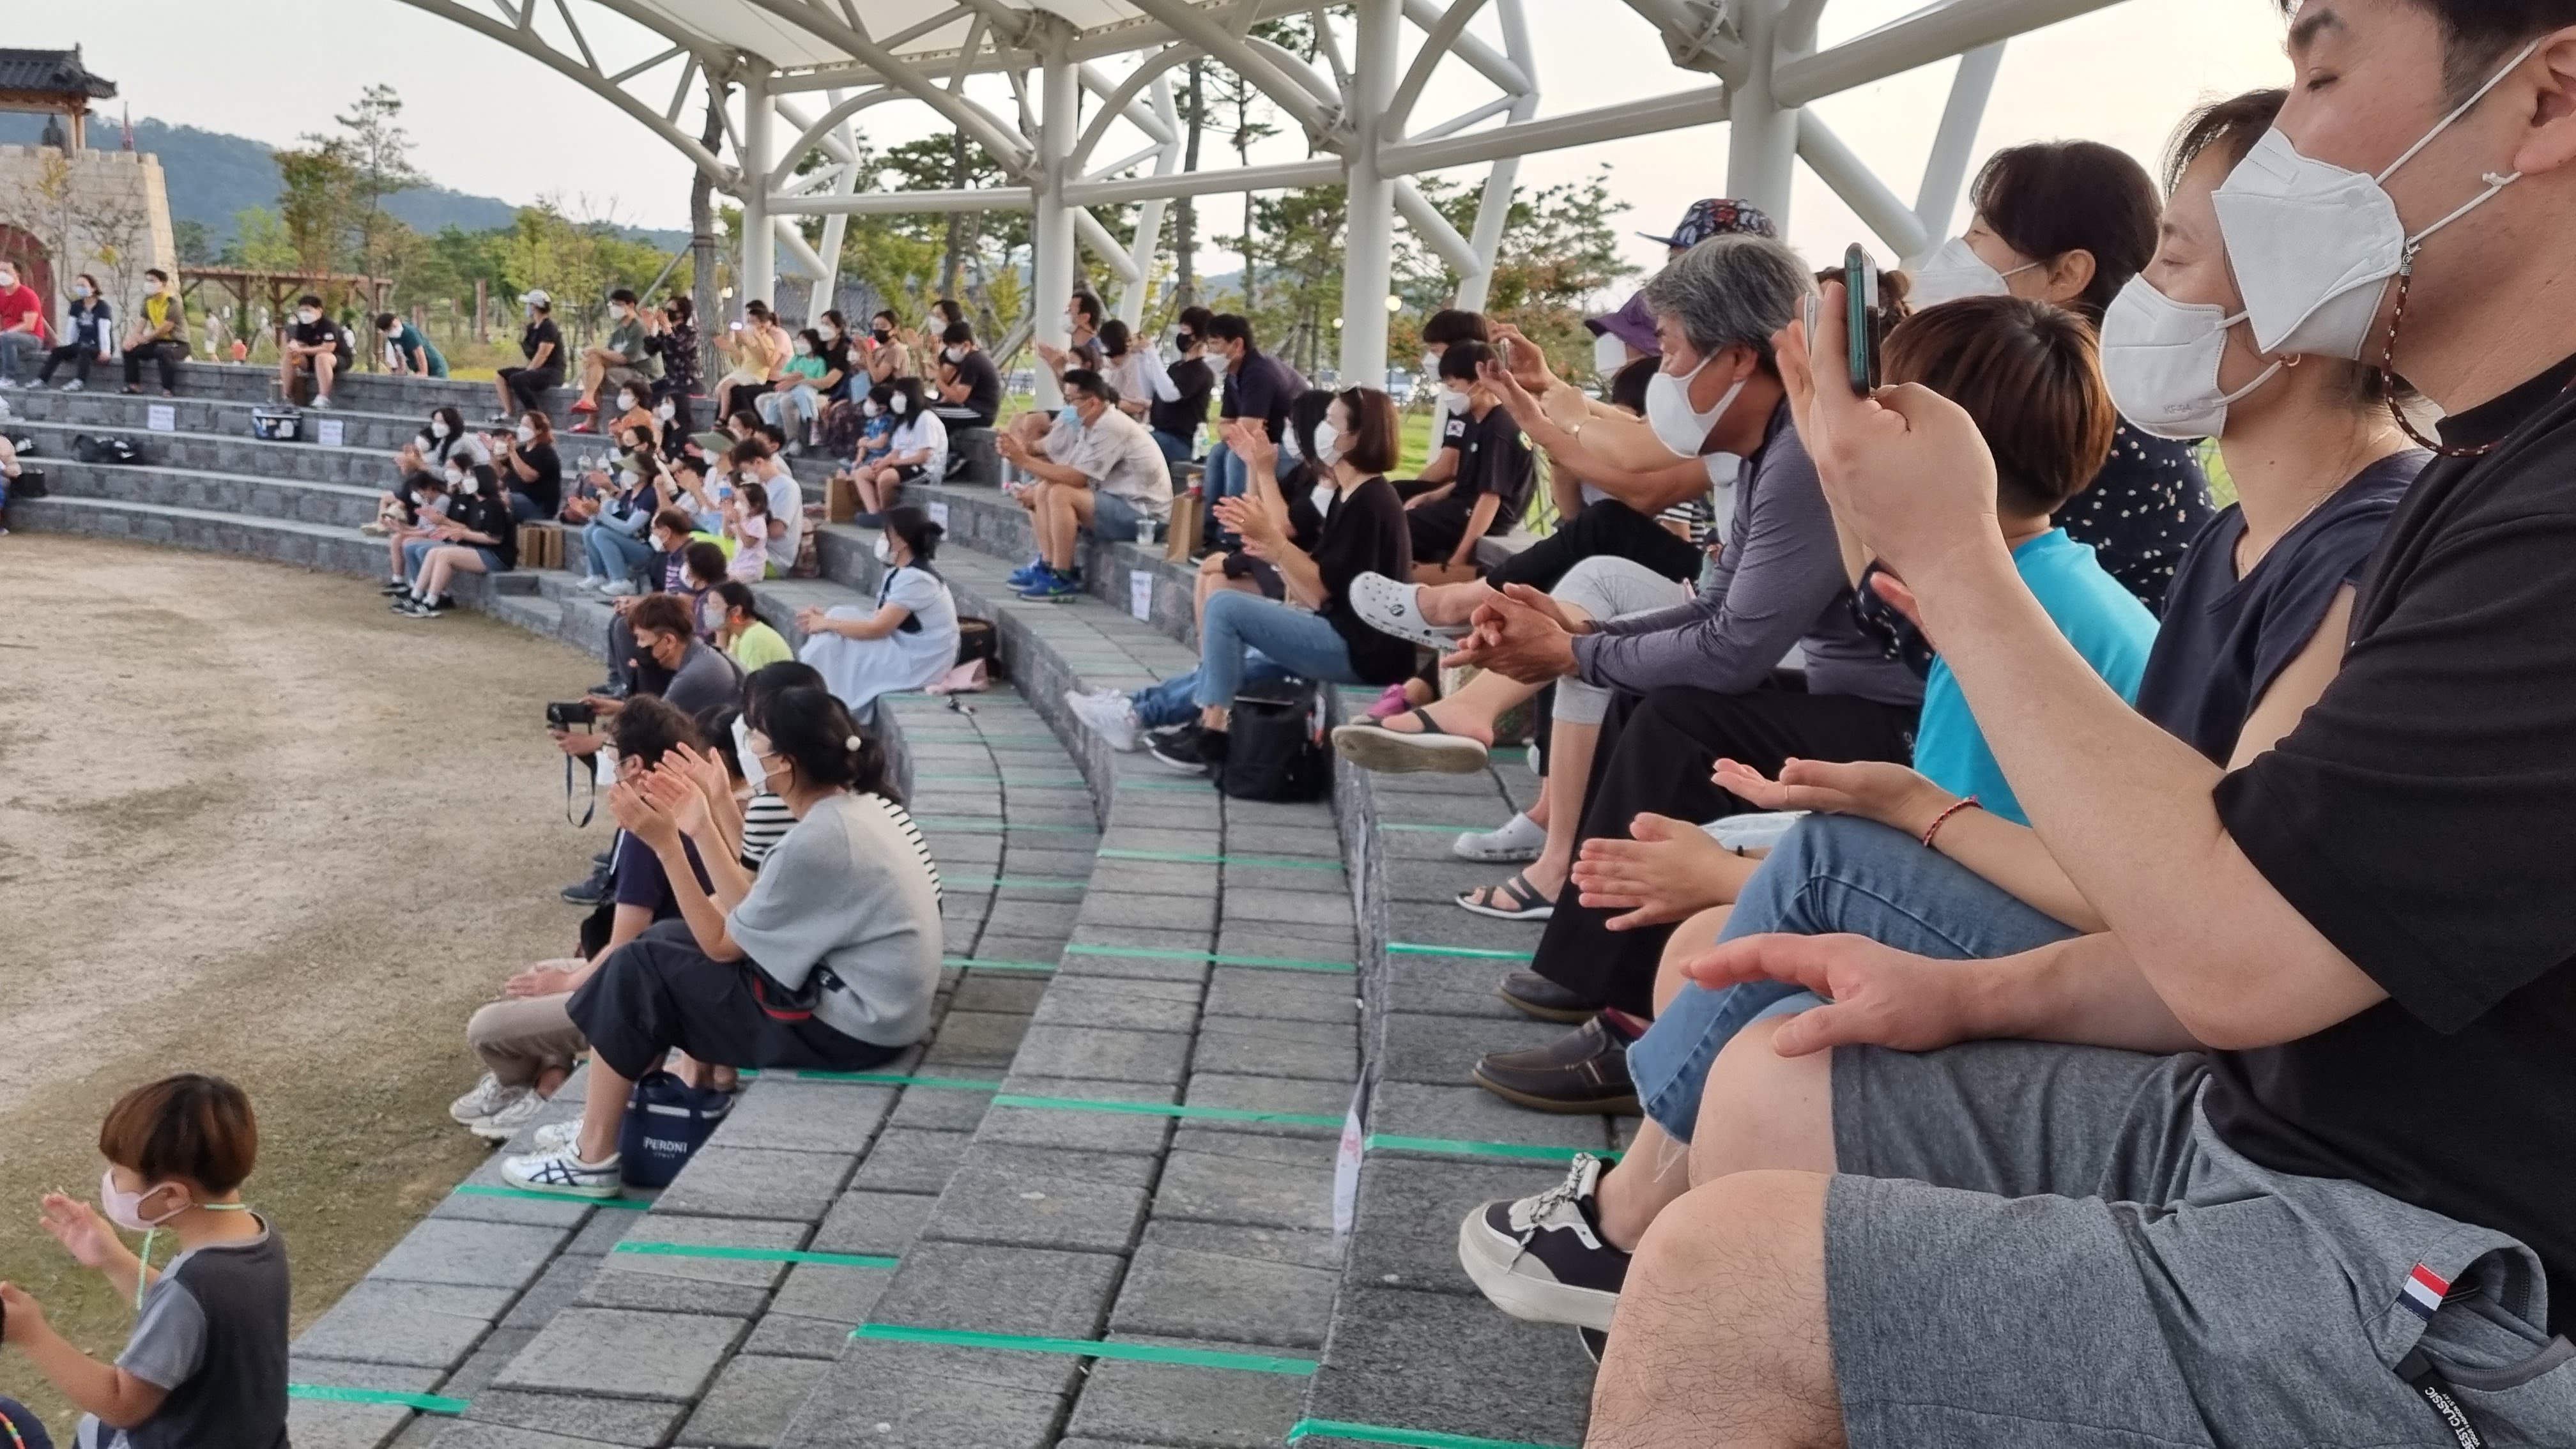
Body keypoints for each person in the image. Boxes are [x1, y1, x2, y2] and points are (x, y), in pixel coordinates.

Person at [1582, 6, 2576, 1441]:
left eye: (2321, 72)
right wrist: (1966, 993)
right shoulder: (2468, 480)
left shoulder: (2517, 522)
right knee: (1785, 1079)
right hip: (2274, 1128)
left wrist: (1955, 557)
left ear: (2546, 101)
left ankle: (1627, 1249)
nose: (2287, 144)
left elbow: (2234, 944)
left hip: (2452, 1270)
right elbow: (2284, 915)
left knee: (1727, 1285)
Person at [1467, 89, 2441, 1337]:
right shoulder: (2238, 543)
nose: (2137, 303)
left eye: (2172, 258)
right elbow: (2157, 867)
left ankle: (1624, 1224)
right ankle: (1640, 1222)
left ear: (2307, 289)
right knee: (1775, 914)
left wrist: (1941, 577)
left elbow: (2215, 923)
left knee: (1799, 887)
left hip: (2243, 1080)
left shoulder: (2356, 559)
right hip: (2155, 967)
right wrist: (1917, 804)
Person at [1411, 235, 1922, 1039]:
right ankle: (1605, 969)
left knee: (1681, 720)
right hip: (1860, 706)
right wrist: (1583, 631)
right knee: (1647, 699)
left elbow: (1732, 649)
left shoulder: (1800, 455)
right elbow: (1715, 607)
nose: (1664, 373)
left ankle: (1617, 1000)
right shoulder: (1773, 447)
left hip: (1905, 731)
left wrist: (1577, 652)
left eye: (1675, 350)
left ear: (1739, 359)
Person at [502, 686, 943, 1199]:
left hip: (850, 1028)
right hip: (874, 1010)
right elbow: (751, 902)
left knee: (638, 966)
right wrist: (707, 812)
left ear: (786, 762)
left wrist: (668, 844)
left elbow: (723, 944)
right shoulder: (851, 809)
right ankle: (611, 1118)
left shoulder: (821, 839)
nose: (747, 746)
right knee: (664, 938)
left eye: (756, 737)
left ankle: (593, 1155)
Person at [1906, 139, 2216, 609]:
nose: (1957, 253)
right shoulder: (2105, 403)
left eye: (1980, 235)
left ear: (2066, 274)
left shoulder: (2086, 423)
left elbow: (1921, 615)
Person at [452, 698, 715, 1140]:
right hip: (666, 973)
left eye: (611, 751)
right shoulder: (688, 803)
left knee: (486, 1028)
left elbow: (625, 946)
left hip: (647, 991)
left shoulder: (647, 826)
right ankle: (551, 1080)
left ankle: (523, 1087)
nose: (605, 759)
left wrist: (569, 982)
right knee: (536, 978)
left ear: (634, 764)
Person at [0, 1075, 288, 1449]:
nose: (111, 1183)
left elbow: (122, 1405)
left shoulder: (191, 1287)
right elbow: (196, 1322)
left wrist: (32, 1334)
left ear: (171, 1196)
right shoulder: (258, 1239)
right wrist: (113, 1259)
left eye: (119, 1174)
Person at [1141, 389, 1418, 772]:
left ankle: (1212, 734)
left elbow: (1320, 591)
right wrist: (1271, 549)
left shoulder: (1370, 502)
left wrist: (1274, 543)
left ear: (1356, 437)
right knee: (1231, 629)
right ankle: (1191, 722)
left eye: (1331, 422)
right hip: (1343, 632)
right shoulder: (1351, 494)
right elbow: (1315, 592)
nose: (1321, 430)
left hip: (1363, 650)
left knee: (1224, 606)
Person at [1004, 369, 1174, 601]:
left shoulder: (1112, 426)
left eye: (1071, 401)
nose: (1067, 408)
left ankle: (1063, 576)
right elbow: (1066, 470)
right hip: (1119, 503)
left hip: (1144, 517)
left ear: (1092, 402)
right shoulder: (1090, 425)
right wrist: (1029, 473)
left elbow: (1077, 478)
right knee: (1044, 489)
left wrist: (1023, 461)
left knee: (1061, 494)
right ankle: (1047, 565)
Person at [797, 506, 960, 722]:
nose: (882, 538)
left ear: (901, 541)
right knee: (837, 615)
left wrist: (827, 623)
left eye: (886, 533)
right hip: (906, 645)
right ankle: (818, 697)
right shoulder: (902, 572)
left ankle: (826, 708)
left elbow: (878, 628)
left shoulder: (917, 580)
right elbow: (880, 616)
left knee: (830, 642)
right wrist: (826, 618)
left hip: (921, 660)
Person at [1401, 341, 1536, 580]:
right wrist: (1430, 496)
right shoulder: (1477, 420)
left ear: (1480, 382)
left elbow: (1490, 497)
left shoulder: (1500, 429)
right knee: (1397, 508)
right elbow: (1471, 476)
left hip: (1487, 516)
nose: (1449, 394)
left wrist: (1460, 558)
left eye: (1453, 386)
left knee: (1398, 527)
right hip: (1464, 503)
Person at [1199, 314, 1305, 514]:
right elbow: (1224, 427)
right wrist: (1239, 428)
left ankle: (1240, 524)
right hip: (1268, 444)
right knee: (1218, 452)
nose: (1210, 352)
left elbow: (1246, 432)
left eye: (1215, 344)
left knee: (1238, 456)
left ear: (1237, 344)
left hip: (1295, 452)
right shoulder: (1233, 375)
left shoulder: (1258, 372)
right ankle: (1213, 523)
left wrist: (1239, 428)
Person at [394, 461, 517, 617]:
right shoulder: (476, 503)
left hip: (497, 555)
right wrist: (448, 528)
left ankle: (431, 602)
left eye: (471, 477)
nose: (467, 481)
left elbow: (494, 539)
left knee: (445, 555)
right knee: (434, 552)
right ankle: (416, 596)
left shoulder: (494, 505)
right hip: (480, 550)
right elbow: (469, 528)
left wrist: (463, 534)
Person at [853, 379, 945, 524]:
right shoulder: (903, 420)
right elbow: (896, 451)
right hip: (903, 464)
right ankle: (874, 513)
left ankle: (887, 516)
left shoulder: (926, 419)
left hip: (925, 468)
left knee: (886, 477)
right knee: (862, 473)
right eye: (895, 394)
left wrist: (893, 463)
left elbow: (923, 457)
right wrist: (883, 462)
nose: (895, 399)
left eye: (899, 394)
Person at [571, 289, 661, 426]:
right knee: (594, 362)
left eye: (617, 304)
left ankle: (590, 416)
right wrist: (593, 355)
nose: (613, 308)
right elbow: (608, 355)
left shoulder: (638, 328)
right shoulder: (618, 331)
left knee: (597, 372)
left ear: (631, 305)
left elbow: (625, 358)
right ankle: (588, 402)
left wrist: (596, 350)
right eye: (612, 304)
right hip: (623, 371)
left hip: (642, 374)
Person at [1146, 305, 1218, 463]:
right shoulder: (1176, 367)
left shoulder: (1200, 371)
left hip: (1180, 441)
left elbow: (1170, 394)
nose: (1181, 335)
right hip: (1160, 433)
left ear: (1199, 337)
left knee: (1142, 443)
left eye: (1186, 331)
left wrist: (1151, 352)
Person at [493, 291, 564, 424]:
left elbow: (543, 353)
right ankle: (509, 412)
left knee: (517, 379)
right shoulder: (532, 328)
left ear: (534, 306)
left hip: (552, 372)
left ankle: (536, 416)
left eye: (529, 304)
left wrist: (529, 371)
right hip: (538, 370)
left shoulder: (549, 327)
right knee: (501, 375)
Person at [121, 269, 190, 397]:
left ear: (163, 283)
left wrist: (146, 339)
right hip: (157, 342)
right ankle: (133, 385)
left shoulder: (173, 303)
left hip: (178, 344)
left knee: (162, 352)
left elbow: (165, 328)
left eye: (152, 281)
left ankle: (167, 389)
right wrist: (132, 340)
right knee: (129, 350)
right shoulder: (148, 301)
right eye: (147, 280)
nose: (148, 284)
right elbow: (140, 325)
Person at [758, 328, 831, 445]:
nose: (800, 344)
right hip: (790, 388)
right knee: (763, 400)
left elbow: (820, 382)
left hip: (808, 388)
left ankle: (808, 423)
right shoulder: (797, 358)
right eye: (799, 341)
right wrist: (791, 376)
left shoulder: (819, 362)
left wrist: (802, 379)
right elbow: (783, 374)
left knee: (796, 395)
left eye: (804, 341)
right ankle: (774, 429)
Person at [38, 273, 111, 391]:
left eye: (83, 285)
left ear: (93, 288)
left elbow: (104, 330)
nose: (80, 288)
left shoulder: (102, 307)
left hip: (96, 346)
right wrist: (69, 347)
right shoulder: (76, 305)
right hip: (81, 344)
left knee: (85, 349)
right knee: (57, 351)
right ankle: (42, 380)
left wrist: (106, 351)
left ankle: (79, 381)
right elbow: (72, 328)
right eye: (78, 285)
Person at [279, 293, 348, 408]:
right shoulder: (302, 325)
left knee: (322, 357)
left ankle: (323, 398)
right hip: (311, 360)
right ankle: (286, 396)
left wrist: (302, 350)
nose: (304, 314)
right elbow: (296, 341)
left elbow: (328, 348)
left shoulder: (328, 325)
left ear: (319, 310)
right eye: (302, 311)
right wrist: (294, 346)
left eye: (308, 310)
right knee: (290, 355)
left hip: (336, 358)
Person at [929, 323, 1002, 431]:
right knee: (925, 408)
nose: (950, 351)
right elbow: (955, 392)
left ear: (966, 344)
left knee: (928, 413)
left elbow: (959, 397)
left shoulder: (973, 362)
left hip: (979, 412)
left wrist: (938, 382)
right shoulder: (972, 358)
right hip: (974, 409)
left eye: (952, 347)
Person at [495, 410, 564, 523]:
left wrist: (512, 452)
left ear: (539, 430)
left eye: (526, 426)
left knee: (501, 500)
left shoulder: (545, 453)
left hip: (537, 505)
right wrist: (492, 451)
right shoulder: (521, 450)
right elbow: (503, 475)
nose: (521, 429)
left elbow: (528, 477)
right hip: (516, 497)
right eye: (521, 425)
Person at [643, 295, 700, 428]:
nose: (666, 313)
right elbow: (651, 350)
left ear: (681, 314)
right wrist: (650, 329)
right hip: (669, 379)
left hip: (686, 381)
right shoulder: (665, 333)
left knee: (661, 398)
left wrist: (667, 328)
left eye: (670, 310)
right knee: (643, 392)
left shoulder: (691, 333)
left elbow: (679, 348)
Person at [713, 580, 793, 670]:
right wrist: (720, 634)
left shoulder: (754, 640)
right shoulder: (737, 635)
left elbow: (750, 678)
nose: (709, 611)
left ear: (736, 611)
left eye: (714, 606)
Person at [0, 257, 47, 386]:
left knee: (7, 338)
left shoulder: (28, 295)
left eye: (6, 271)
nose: (2, 274)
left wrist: (5, 333)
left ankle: (9, 378)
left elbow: (29, 325)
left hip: (32, 338)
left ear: (17, 274)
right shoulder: (1, 295)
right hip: (8, 337)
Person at [724, 479, 773, 584]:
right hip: (738, 565)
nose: (737, 506)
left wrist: (737, 523)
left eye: (741, 502)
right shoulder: (743, 519)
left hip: (751, 569)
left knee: (723, 580)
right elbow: (727, 535)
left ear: (755, 506)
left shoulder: (758, 522)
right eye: (736, 502)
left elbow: (749, 543)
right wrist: (727, 516)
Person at [377, 310, 448, 378]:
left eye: (394, 326)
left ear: (397, 320)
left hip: (435, 367)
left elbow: (419, 352)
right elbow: (398, 352)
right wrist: (401, 369)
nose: (393, 330)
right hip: (416, 366)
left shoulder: (410, 332)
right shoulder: (392, 336)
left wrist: (423, 371)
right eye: (389, 329)